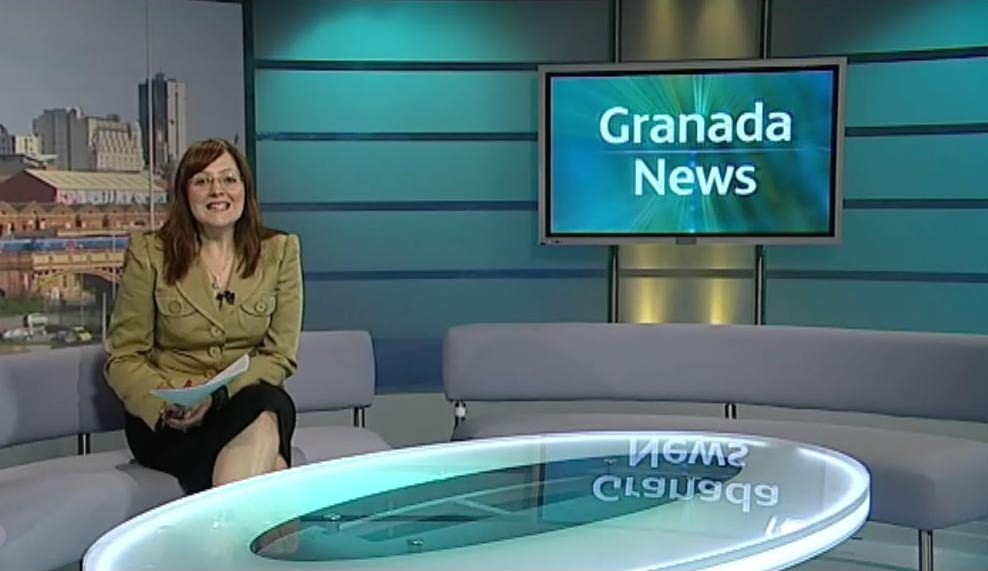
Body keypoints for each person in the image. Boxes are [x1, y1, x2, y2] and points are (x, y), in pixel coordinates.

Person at [105, 138, 303, 494]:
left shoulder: (280, 252)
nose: (217, 191)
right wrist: (165, 405)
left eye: (229, 179)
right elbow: (124, 357)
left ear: (245, 189)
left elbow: (279, 355)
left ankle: (225, 528)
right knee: (271, 461)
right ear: (185, 193)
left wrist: (219, 396)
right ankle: (239, 528)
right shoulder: (150, 253)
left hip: (241, 403)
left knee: (267, 402)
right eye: (202, 181)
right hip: (169, 420)